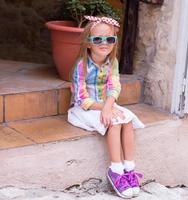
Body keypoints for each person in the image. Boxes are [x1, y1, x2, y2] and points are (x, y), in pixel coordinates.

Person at [67, 15, 145, 199]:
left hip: (106, 103)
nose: (104, 43)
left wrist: (109, 105)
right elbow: (81, 99)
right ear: (88, 43)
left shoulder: (113, 62)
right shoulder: (81, 66)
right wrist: (106, 109)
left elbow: (114, 86)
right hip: (86, 108)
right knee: (114, 122)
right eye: (98, 39)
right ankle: (115, 170)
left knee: (127, 121)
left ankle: (129, 168)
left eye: (110, 39)